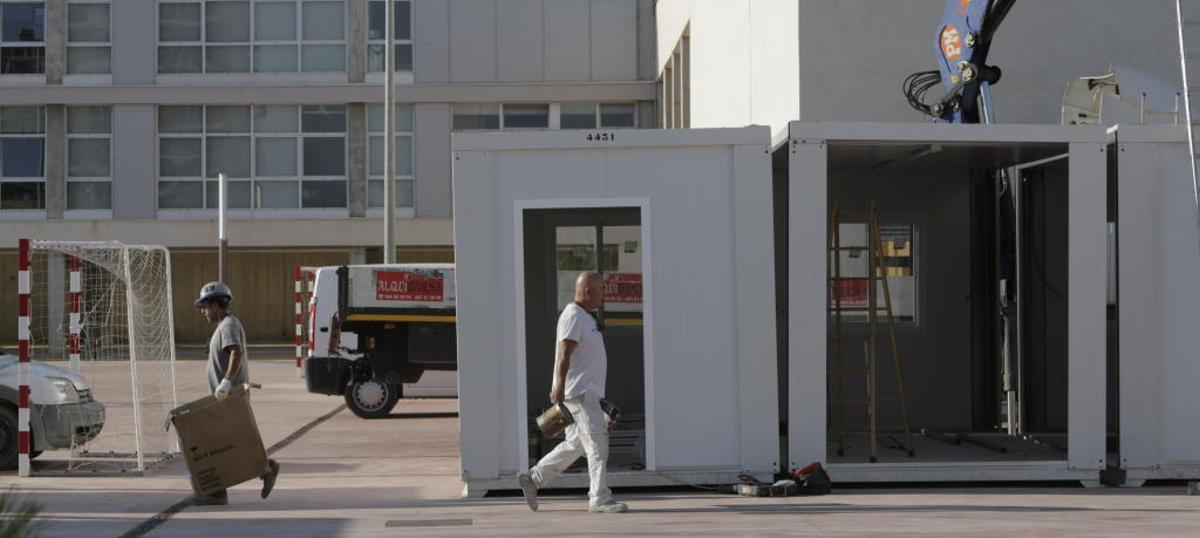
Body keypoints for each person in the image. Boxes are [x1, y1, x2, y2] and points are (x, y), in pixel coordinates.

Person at [517, 272, 628, 513]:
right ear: (588, 291)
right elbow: (564, 354)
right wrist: (558, 386)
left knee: (576, 444)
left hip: (587, 394)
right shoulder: (573, 317)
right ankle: (599, 498)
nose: (603, 296)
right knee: (598, 444)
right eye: (601, 291)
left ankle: (534, 478)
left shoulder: (585, 317)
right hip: (580, 394)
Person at [192, 281, 281, 506]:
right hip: (226, 398)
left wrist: (226, 381)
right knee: (231, 444)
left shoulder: (228, 326)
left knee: (216, 445)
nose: (203, 312)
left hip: (229, 397)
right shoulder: (224, 325)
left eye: (204, 307)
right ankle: (264, 469)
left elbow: (236, 353)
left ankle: (217, 492)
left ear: (214, 304)